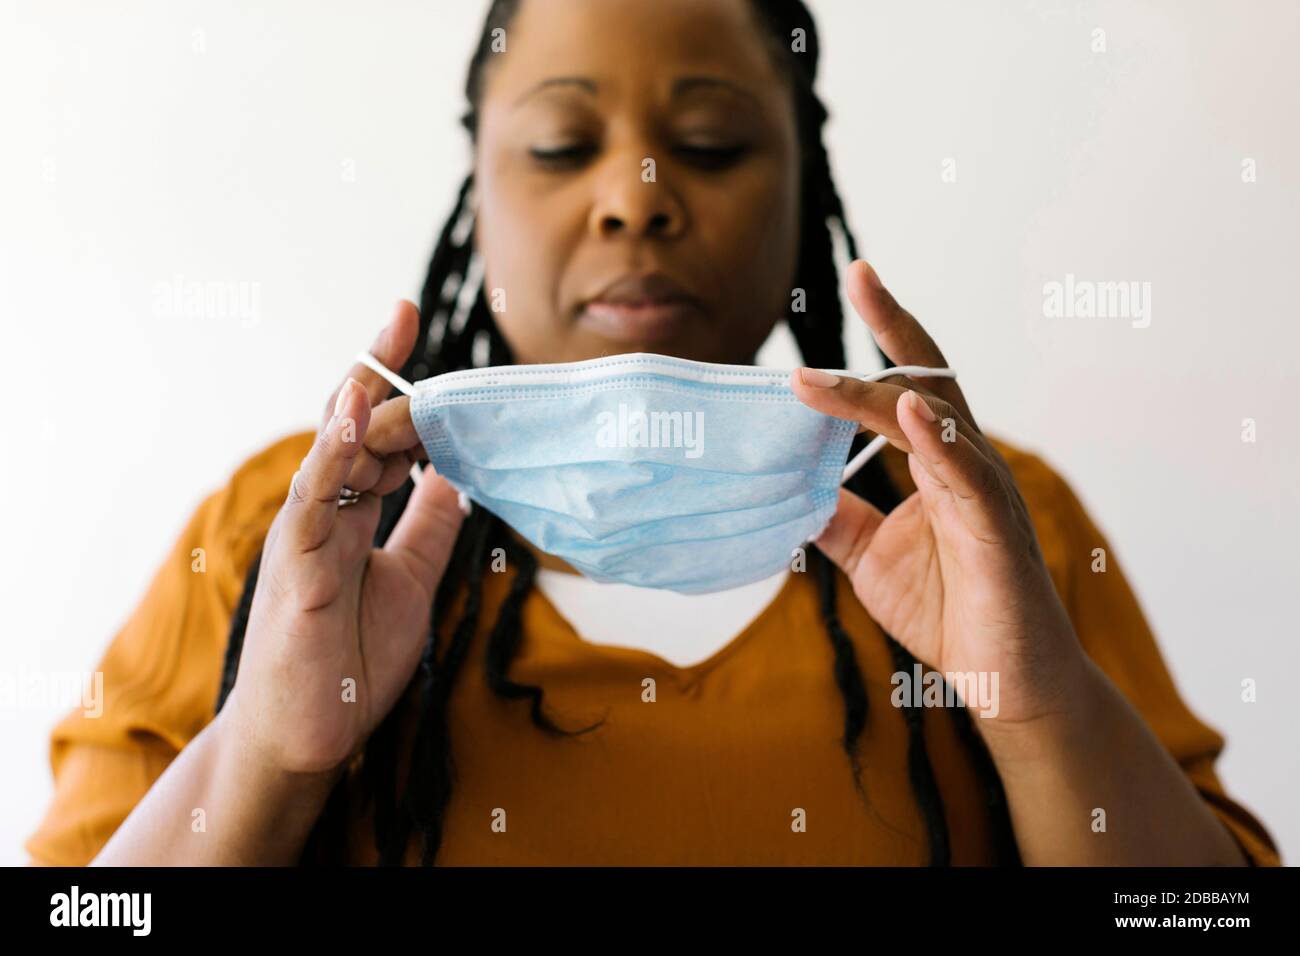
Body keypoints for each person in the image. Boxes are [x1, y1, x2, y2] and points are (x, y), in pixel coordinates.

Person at [27, 0, 1280, 866]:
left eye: (711, 143)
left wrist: (1039, 709)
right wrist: (266, 755)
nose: (637, 199)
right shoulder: (291, 536)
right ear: (480, 187)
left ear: (803, 187)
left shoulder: (988, 529)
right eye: (565, 145)